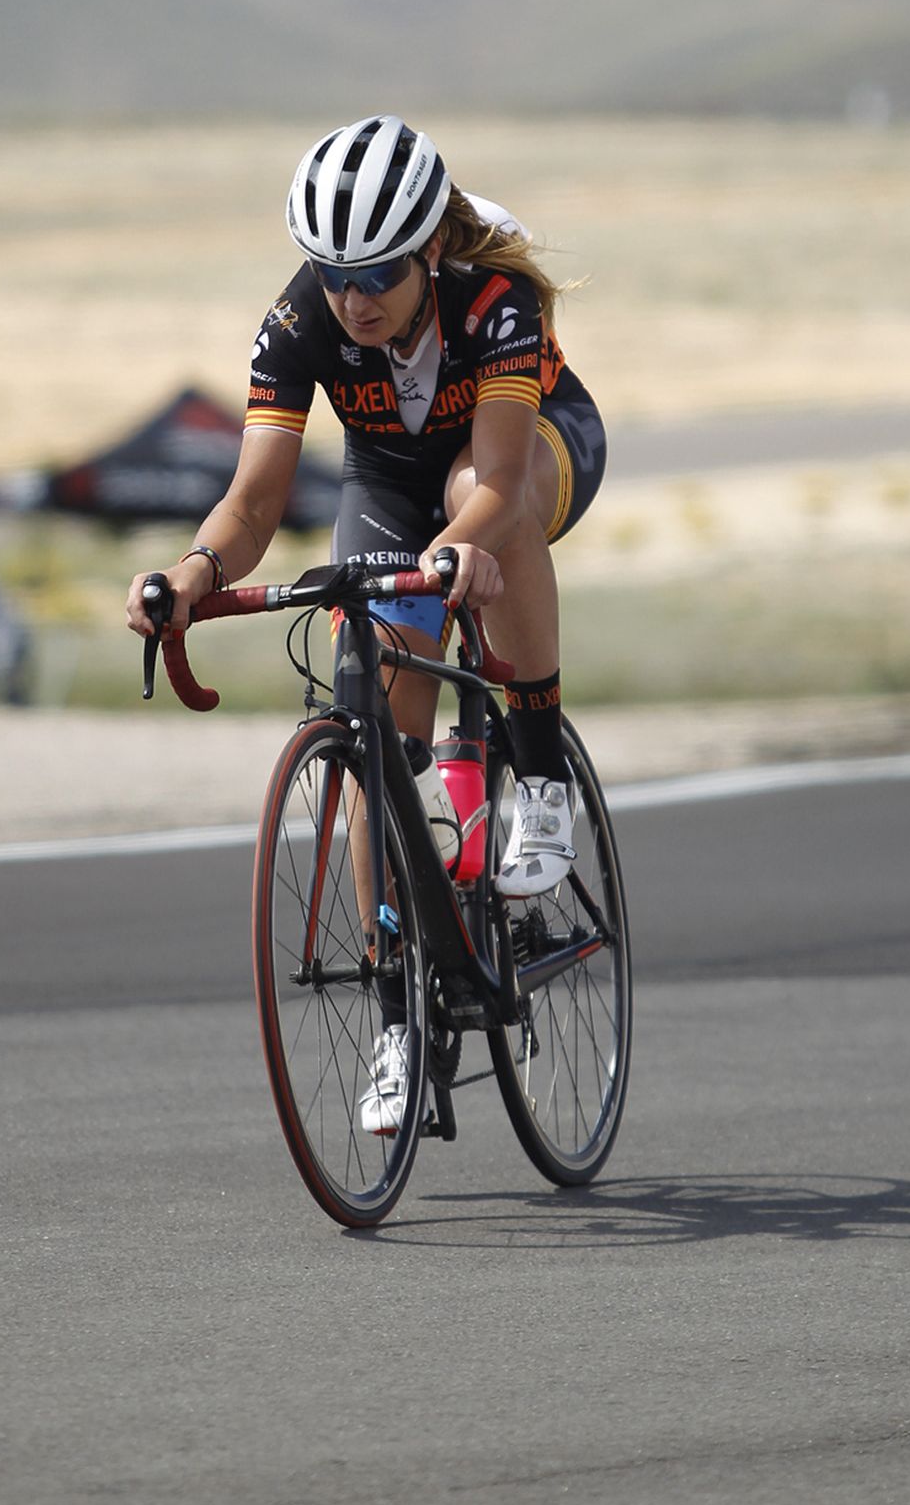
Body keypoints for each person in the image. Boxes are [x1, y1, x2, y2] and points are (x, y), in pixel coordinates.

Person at [126, 115, 607, 1130]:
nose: (354, 299)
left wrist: (453, 550)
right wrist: (189, 573)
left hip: (528, 453)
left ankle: (542, 774)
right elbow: (255, 503)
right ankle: (397, 1012)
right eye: (332, 274)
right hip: (390, 478)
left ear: (430, 250)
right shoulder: (303, 321)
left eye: (379, 273)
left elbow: (502, 480)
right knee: (379, 734)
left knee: (490, 508)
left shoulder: (494, 301)